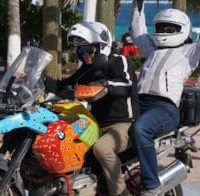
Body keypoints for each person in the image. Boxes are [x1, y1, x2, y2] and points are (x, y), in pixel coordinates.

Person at [128, 0, 200, 195]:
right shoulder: (152, 49)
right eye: (162, 27)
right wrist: (137, 6)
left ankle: (151, 185)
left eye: (170, 28)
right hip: (138, 103)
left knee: (141, 129)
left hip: (164, 108)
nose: (165, 31)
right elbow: (137, 32)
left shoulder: (190, 52)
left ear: (182, 30)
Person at [55, 21, 139, 196]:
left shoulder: (119, 60)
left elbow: (127, 84)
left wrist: (105, 85)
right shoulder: (87, 70)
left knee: (102, 148)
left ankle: (121, 193)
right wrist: (41, 83)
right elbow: (64, 85)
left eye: (88, 49)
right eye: (80, 50)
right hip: (95, 125)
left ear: (102, 46)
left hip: (123, 125)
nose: (84, 54)